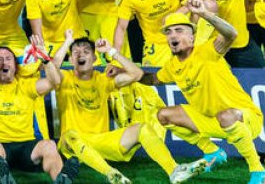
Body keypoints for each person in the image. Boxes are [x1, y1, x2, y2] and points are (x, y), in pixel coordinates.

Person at [140, 1, 265, 184]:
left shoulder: (208, 50)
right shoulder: (172, 66)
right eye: (168, 32)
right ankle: (212, 152)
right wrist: (120, 64)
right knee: (163, 115)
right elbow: (151, 80)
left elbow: (231, 34)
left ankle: (258, 170)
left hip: (246, 118)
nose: (172, 35)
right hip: (211, 120)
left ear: (192, 37)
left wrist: (204, 13)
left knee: (226, 116)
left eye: (179, 30)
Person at [51, 31, 198, 184]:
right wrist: (68, 42)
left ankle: (174, 170)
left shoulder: (103, 80)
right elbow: (51, 70)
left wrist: (111, 51)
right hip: (72, 144)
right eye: (76, 52)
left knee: (143, 129)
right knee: (70, 134)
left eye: (86, 51)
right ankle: (111, 174)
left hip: (100, 143)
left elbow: (136, 74)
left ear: (94, 58)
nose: (81, 54)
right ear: (70, 59)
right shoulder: (64, 78)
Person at [0, 33, 76, 184]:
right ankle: (3, 178)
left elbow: (55, 82)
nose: (4, 62)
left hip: (27, 146)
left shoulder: (27, 85)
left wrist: (45, 58)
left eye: (8, 58)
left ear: (15, 66)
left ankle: (60, 179)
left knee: (49, 144)